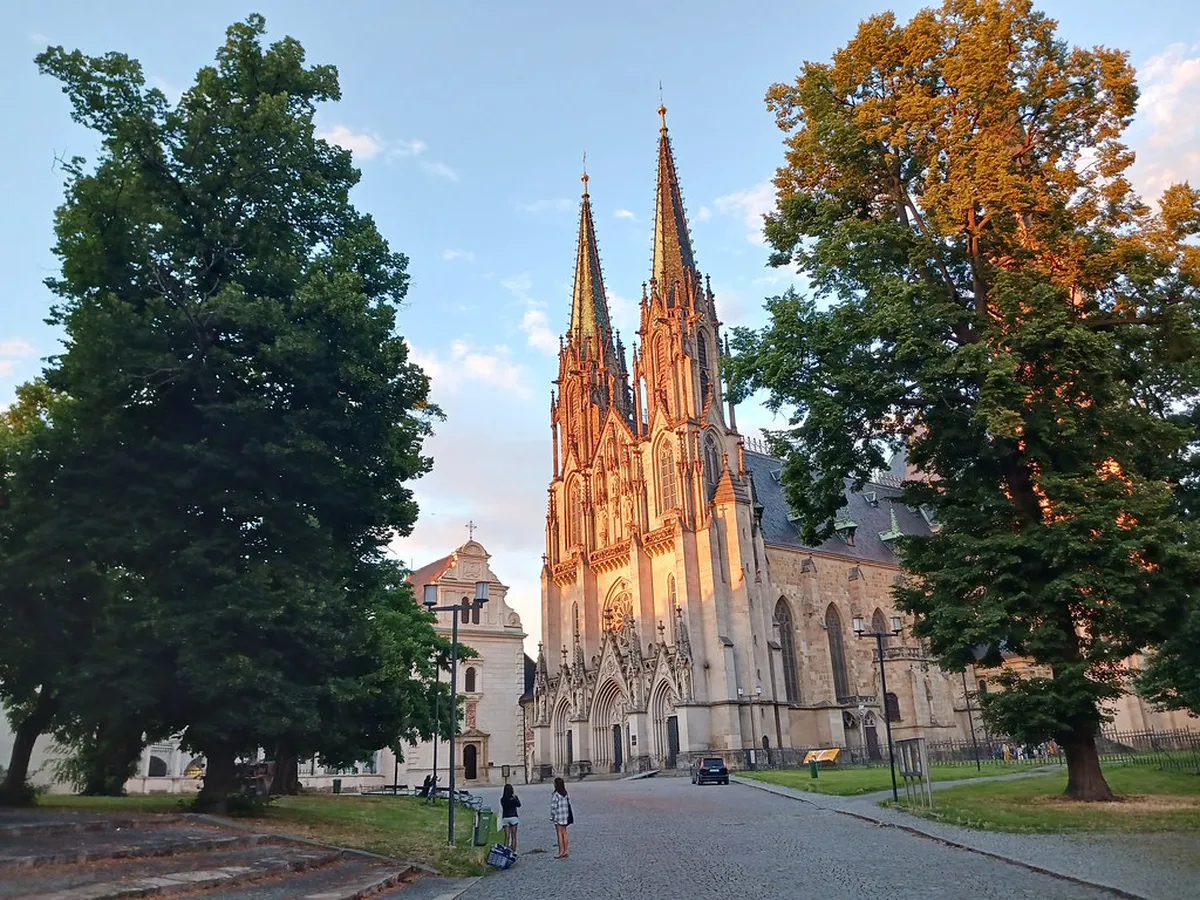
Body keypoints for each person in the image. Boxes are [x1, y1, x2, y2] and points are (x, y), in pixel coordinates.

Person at [550, 777, 572, 859]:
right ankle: (566, 850)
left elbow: (553, 807)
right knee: (565, 833)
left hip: (558, 816)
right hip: (565, 816)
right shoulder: (565, 793)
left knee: (559, 834)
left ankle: (561, 851)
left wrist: (552, 817)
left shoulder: (556, 795)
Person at [500, 783, 521, 852]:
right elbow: (519, 805)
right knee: (514, 837)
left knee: (507, 837)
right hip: (513, 817)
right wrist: (515, 798)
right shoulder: (514, 798)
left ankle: (505, 851)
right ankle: (514, 851)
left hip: (506, 818)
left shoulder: (502, 799)